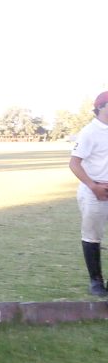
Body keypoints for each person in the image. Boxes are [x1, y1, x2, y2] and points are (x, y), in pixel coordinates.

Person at [69, 91, 108, 297]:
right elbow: (74, 163)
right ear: (101, 107)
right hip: (95, 190)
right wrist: (93, 186)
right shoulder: (89, 132)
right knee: (92, 236)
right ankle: (96, 281)